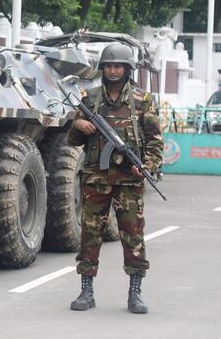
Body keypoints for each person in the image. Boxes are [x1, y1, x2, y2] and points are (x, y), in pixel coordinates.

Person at [66, 42, 163, 314]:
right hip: (96, 179)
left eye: (117, 65)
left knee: (133, 236)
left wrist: (147, 165)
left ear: (127, 69)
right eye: (108, 65)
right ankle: (86, 290)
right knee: (90, 235)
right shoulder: (90, 99)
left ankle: (135, 292)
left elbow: (155, 142)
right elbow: (73, 140)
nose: (112, 70)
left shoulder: (142, 101)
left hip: (129, 182)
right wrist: (78, 125)